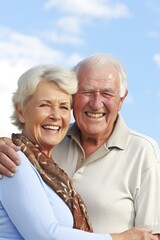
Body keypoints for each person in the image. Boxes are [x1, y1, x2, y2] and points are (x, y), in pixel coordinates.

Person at [0, 54, 160, 236]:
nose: (96, 103)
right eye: (87, 92)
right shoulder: (33, 149)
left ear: (122, 99)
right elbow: (45, 234)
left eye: (107, 93)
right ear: (75, 98)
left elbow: (150, 236)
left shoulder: (143, 151)